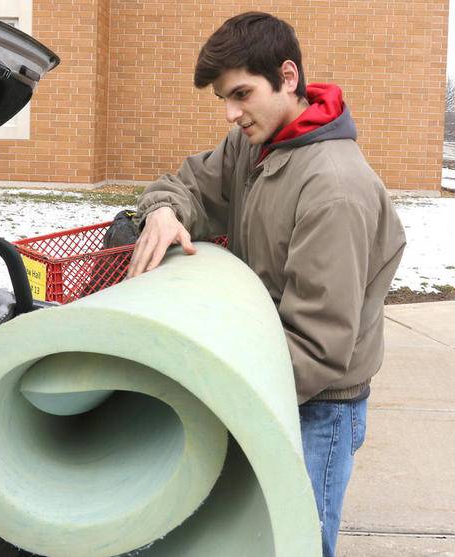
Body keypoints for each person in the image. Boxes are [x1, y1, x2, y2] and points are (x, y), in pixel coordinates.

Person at [128, 12, 406, 557]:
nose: (232, 114)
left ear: (288, 75)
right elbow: (188, 185)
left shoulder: (334, 189)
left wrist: (218, 393)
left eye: (242, 94)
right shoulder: (256, 147)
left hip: (316, 408)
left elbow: (318, 344)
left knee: (293, 544)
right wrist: (163, 211)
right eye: (224, 100)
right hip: (269, 379)